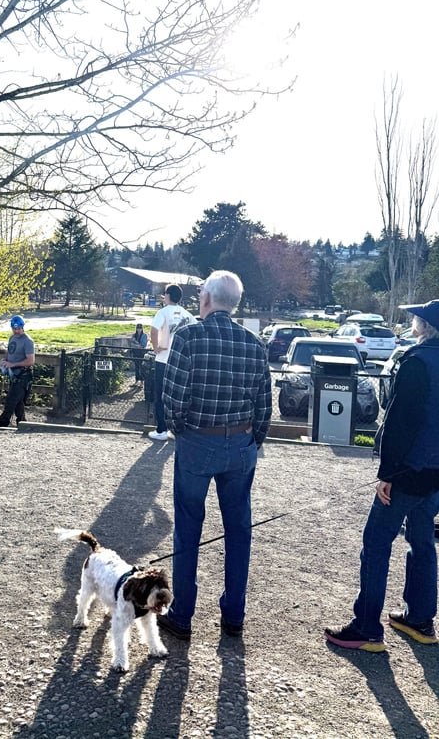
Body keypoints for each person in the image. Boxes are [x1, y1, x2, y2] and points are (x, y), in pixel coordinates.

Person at [156, 270, 272, 641]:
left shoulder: (188, 338)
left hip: (197, 441)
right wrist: (252, 440)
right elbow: (264, 406)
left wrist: (182, 431)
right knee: (239, 530)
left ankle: (183, 614)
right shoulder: (254, 344)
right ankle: (234, 614)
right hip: (240, 444)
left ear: (205, 298)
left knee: (188, 529)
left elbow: (172, 399)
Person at [325, 299, 439, 651]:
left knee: (376, 543)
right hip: (436, 473)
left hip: (408, 469)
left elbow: (401, 423)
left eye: (417, 317)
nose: (413, 321)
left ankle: (366, 626)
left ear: (427, 325)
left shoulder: (417, 361)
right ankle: (420, 618)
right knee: (422, 542)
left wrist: (386, 473)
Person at [148, 284, 195, 442]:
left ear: (167, 295)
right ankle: (177, 429)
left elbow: (154, 330)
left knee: (160, 395)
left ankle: (162, 429)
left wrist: (155, 348)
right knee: (179, 396)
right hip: (181, 361)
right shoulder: (187, 315)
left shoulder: (163, 312)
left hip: (163, 359)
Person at [0, 315, 35, 428]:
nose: (17, 331)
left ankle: (3, 424)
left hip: (23, 375)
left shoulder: (28, 341)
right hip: (13, 374)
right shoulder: (12, 338)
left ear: (23, 327)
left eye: (18, 328)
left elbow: (30, 360)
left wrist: (13, 364)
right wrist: (4, 360)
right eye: (14, 329)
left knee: (11, 400)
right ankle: (22, 423)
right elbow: (10, 352)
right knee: (18, 402)